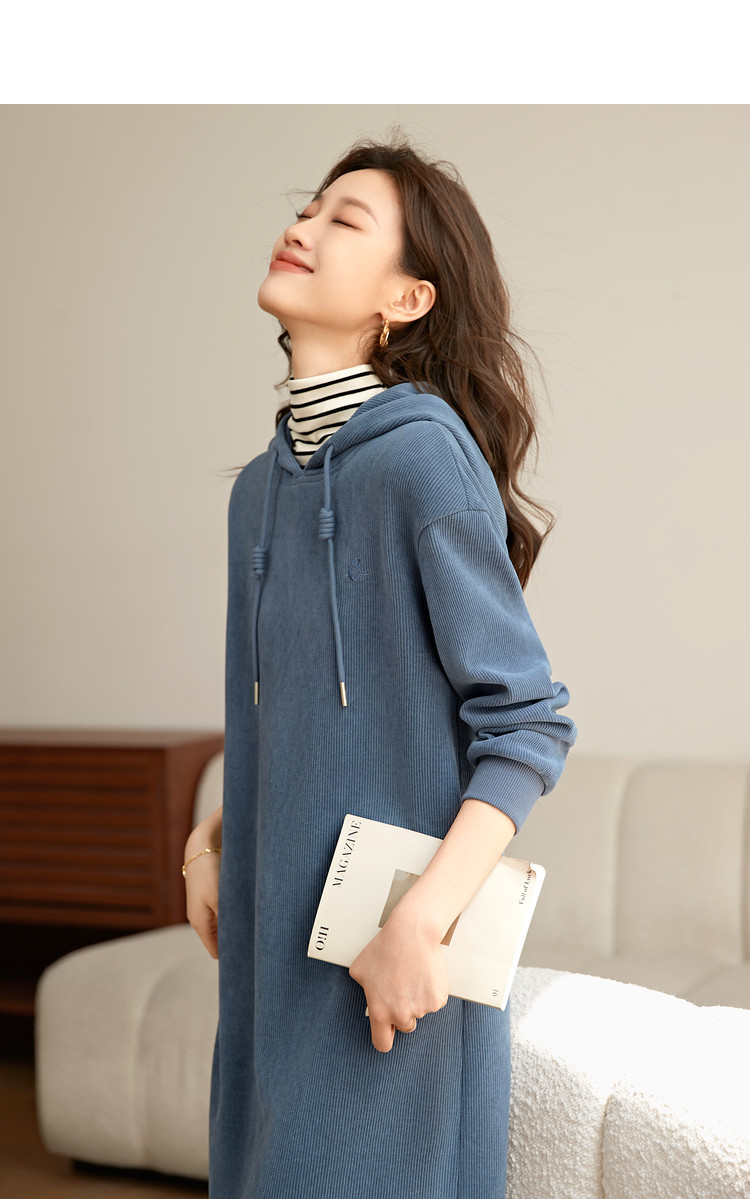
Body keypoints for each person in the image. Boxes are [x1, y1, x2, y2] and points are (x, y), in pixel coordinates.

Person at [183, 135, 577, 1199]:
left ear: (407, 299)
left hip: (387, 965)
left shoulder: (420, 457)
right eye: (306, 207)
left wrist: (418, 922)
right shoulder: (257, 492)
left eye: (343, 219)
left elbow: (528, 724)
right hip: (269, 956)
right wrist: (211, 835)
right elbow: (295, 712)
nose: (301, 226)